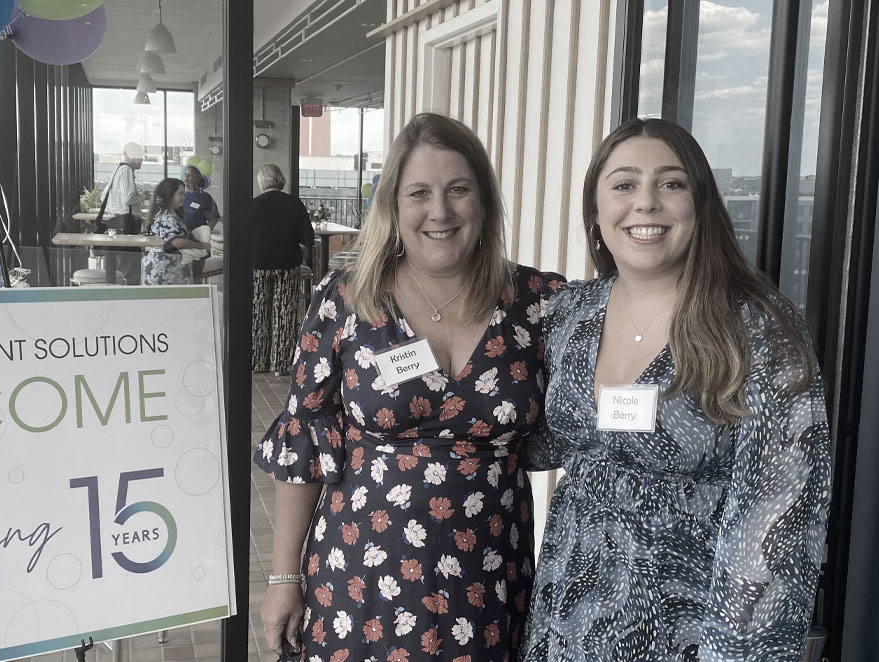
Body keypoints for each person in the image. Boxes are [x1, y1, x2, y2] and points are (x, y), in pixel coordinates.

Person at [254, 113, 564, 661]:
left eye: (458, 189)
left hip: (488, 583)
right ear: (393, 207)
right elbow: (305, 443)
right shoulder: (347, 298)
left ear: (485, 201)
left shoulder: (541, 303)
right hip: (361, 578)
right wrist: (283, 577)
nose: (439, 211)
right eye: (419, 192)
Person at [520, 118, 830, 661]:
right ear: (596, 210)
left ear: (700, 204)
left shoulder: (757, 330)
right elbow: (538, 443)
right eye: (623, 184)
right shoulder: (571, 311)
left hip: (686, 636)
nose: (646, 203)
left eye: (671, 183)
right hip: (563, 620)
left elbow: (778, 522)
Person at [251, 163, 314, 374]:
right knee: (284, 314)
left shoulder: (253, 205)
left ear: (261, 181)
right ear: (280, 179)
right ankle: (281, 364)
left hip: (258, 263)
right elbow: (308, 238)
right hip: (287, 263)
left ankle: (258, 362)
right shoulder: (294, 204)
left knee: (259, 312)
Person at [141, 178, 209, 285]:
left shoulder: (166, 214)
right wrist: (200, 246)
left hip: (167, 270)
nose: (184, 197)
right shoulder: (167, 217)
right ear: (169, 195)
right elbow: (177, 242)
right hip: (165, 272)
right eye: (180, 194)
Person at [96, 141, 146, 285]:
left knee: (120, 265)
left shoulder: (117, 170)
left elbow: (103, 196)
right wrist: (145, 196)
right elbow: (129, 198)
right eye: (140, 156)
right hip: (127, 225)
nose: (142, 160)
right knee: (129, 266)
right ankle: (128, 296)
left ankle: (117, 293)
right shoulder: (126, 171)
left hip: (116, 223)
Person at [181, 165, 221, 232]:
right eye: (185, 174)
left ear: (197, 179)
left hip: (196, 238)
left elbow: (214, 218)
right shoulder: (178, 194)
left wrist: (204, 233)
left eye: (190, 175)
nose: (186, 176)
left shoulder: (205, 197)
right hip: (180, 236)